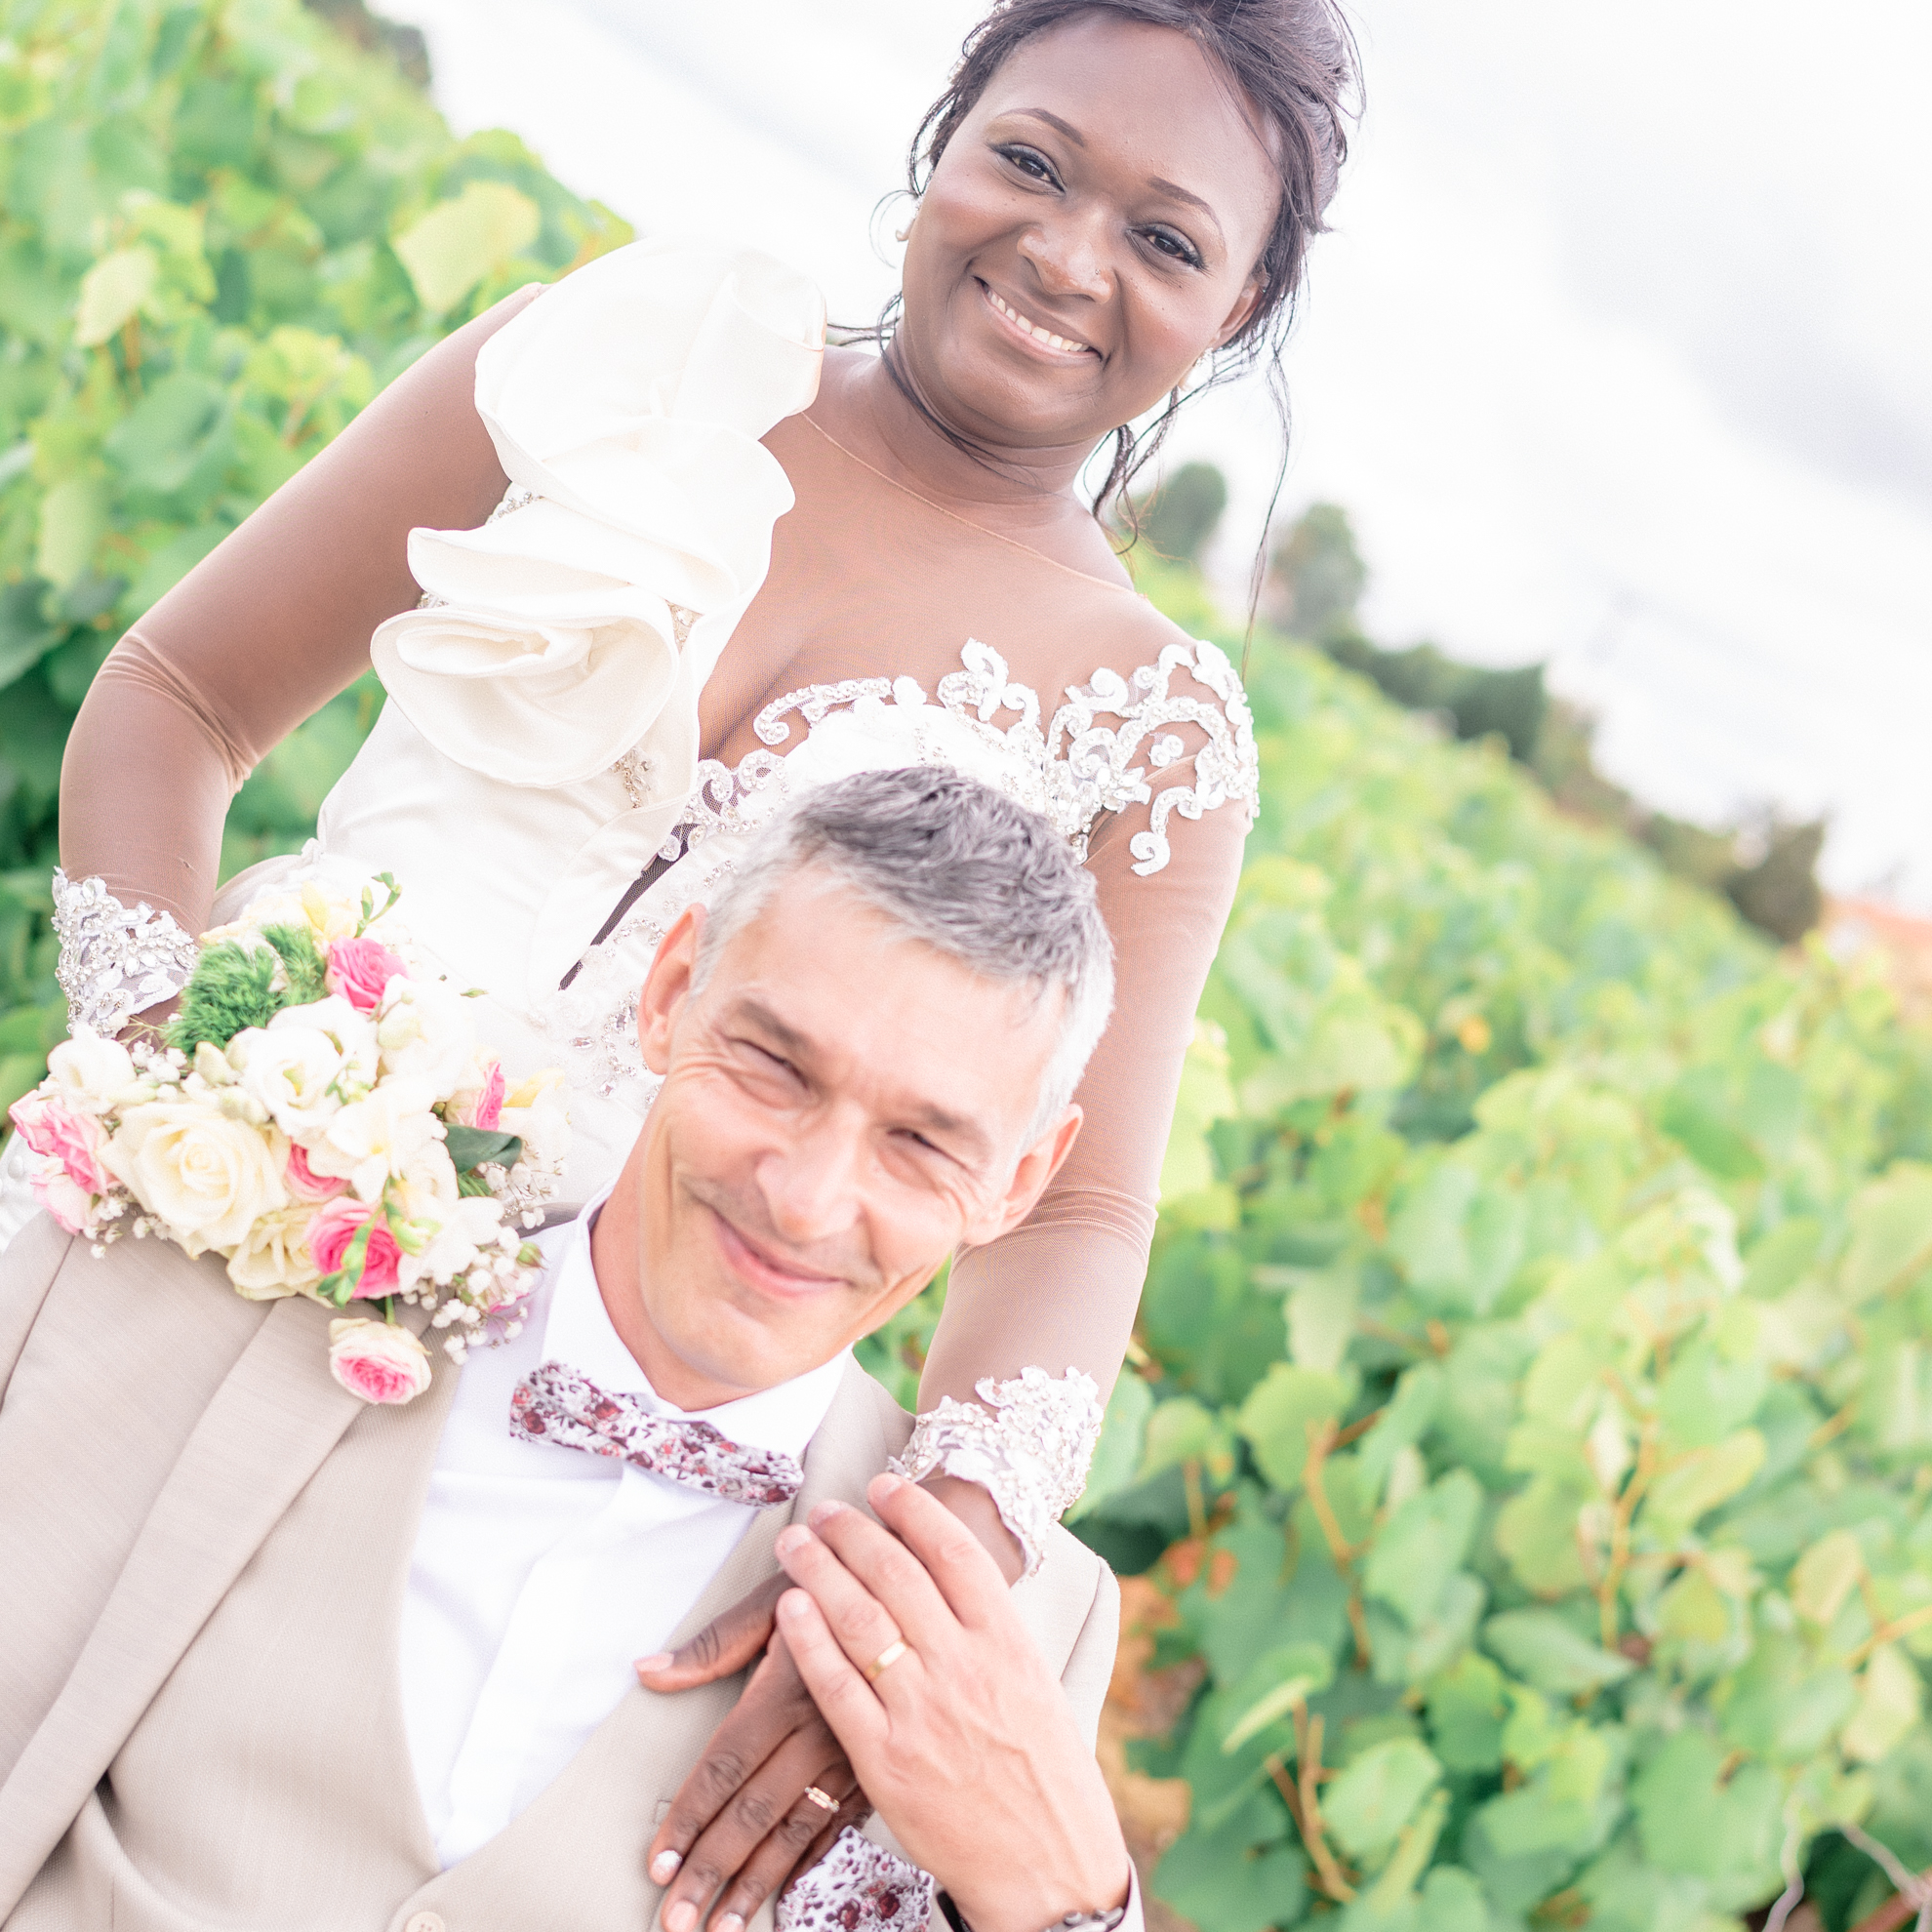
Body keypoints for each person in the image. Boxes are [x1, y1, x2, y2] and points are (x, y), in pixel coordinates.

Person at [21, 0, 1357, 1897]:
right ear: (946, 135)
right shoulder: (627, 367)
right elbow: (176, 699)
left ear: (1235, 309)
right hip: (188, 1246)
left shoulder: (1153, 725)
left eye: (1165, 237)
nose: (1070, 258)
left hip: (599, 1463)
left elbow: (1069, 1209)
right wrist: (169, 1101)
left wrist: (942, 1565)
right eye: (1033, 161)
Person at [0, 771, 1143, 1932]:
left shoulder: (1024, 1634)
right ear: (670, 992)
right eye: (776, 1067)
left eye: (920, 1143)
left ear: (1019, 1183)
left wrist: (1067, 1898)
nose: (805, 1201)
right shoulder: (245, 1254)